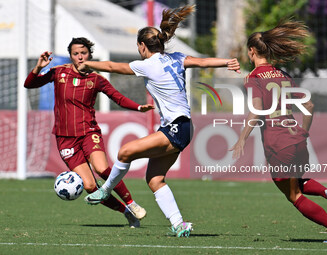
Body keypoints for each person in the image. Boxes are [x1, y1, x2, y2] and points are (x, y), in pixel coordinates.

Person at [80, 5, 241, 237]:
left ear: (142, 46)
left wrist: (88, 65)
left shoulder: (146, 65)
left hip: (175, 127)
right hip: (183, 126)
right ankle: (179, 224)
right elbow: (202, 62)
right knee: (155, 180)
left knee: (125, 152)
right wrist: (227, 62)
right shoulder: (176, 58)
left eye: (139, 46)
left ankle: (106, 190)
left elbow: (113, 67)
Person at [24, 37, 154, 228]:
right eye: (75, 53)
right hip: (65, 138)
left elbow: (117, 97)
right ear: (71, 56)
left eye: (83, 53)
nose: (80, 57)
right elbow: (29, 84)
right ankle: (125, 212)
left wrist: (138, 107)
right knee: (90, 186)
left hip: (88, 132)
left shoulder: (96, 80)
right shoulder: (58, 73)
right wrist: (37, 68)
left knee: (102, 169)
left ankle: (131, 203)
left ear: (90, 55)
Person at [230, 20, 327, 243]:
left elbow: (257, 110)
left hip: (277, 143)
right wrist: (304, 133)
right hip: (296, 138)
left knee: (294, 195)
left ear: (251, 51)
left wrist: (242, 138)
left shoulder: (254, 78)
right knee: (298, 181)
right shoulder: (283, 74)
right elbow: (309, 106)